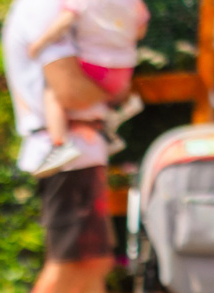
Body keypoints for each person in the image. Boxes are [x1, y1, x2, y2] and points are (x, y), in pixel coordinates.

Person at [2, 0, 114, 293]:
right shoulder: (41, 8)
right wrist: (113, 89)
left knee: (88, 265)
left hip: (80, 154)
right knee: (65, 267)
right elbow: (69, 89)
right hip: (63, 156)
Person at [26, 0, 146, 178]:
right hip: (123, 70)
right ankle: (108, 125)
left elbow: (65, 20)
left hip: (95, 66)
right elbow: (140, 30)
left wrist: (39, 44)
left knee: (54, 93)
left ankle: (60, 145)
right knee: (104, 96)